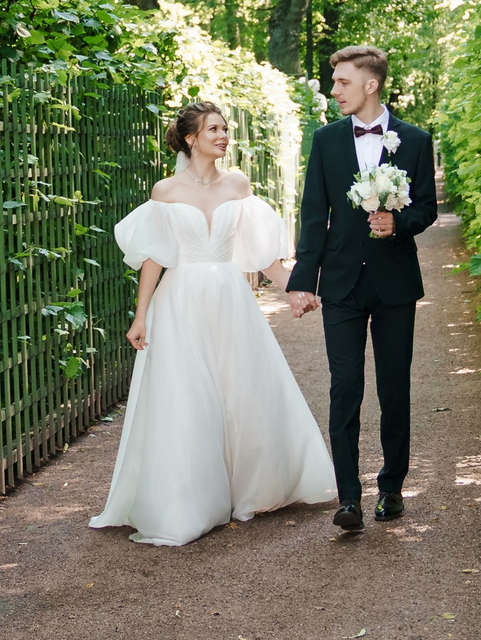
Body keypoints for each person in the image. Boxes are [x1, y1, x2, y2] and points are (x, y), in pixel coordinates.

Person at [89, 101, 339, 545]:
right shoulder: (165, 191)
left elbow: (261, 253)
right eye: (215, 129)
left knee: (241, 390)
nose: (224, 136)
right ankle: (189, 501)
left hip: (229, 299)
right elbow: (154, 258)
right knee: (187, 399)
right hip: (180, 301)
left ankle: (250, 488)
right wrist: (140, 315)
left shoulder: (238, 184)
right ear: (191, 138)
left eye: (226, 129)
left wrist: (295, 290)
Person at [285, 45, 439, 534]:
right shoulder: (326, 140)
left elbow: (428, 210)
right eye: (334, 82)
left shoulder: (414, 139)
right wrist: (301, 282)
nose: (334, 91)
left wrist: (398, 222)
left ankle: (391, 488)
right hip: (342, 282)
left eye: (342, 82)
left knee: (394, 388)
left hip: (395, 283)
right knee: (344, 386)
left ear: (371, 84)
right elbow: (313, 215)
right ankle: (348, 497)